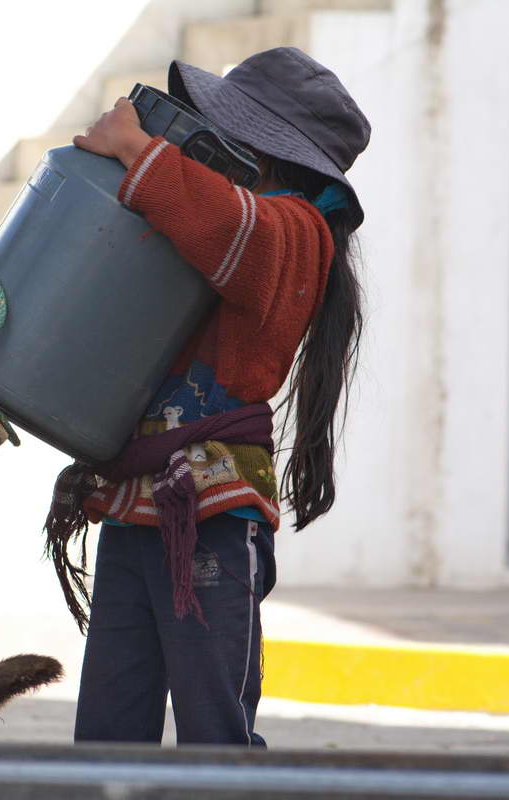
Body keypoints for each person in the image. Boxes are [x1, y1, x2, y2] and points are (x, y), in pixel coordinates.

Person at [44, 47, 370, 747]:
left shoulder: (294, 232)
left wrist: (134, 147)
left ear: (264, 150)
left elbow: (230, 227)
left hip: (213, 517)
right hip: (135, 506)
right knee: (107, 731)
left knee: (214, 732)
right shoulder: (219, 218)